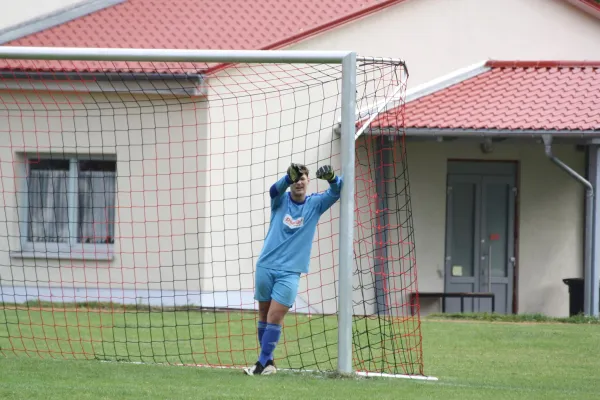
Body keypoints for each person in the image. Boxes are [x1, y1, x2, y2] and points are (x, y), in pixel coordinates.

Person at [243, 162, 343, 376]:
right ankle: (269, 363)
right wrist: (286, 178)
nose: (298, 182)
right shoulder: (280, 200)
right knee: (263, 314)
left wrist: (333, 177)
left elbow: (337, 191)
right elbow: (273, 190)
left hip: (290, 272)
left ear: (308, 182)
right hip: (266, 265)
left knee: (275, 316)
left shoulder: (315, 204)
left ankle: (261, 365)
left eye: (302, 179)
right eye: (295, 179)